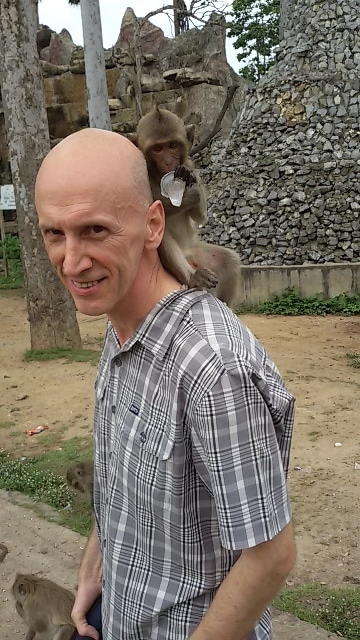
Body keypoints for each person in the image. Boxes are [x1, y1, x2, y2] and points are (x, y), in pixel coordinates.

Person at [35, 128, 296, 640]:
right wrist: (95, 565)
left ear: (154, 224)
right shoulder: (121, 325)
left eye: (94, 231)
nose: (71, 261)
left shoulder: (213, 366)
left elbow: (271, 557)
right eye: (54, 233)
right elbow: (122, 478)